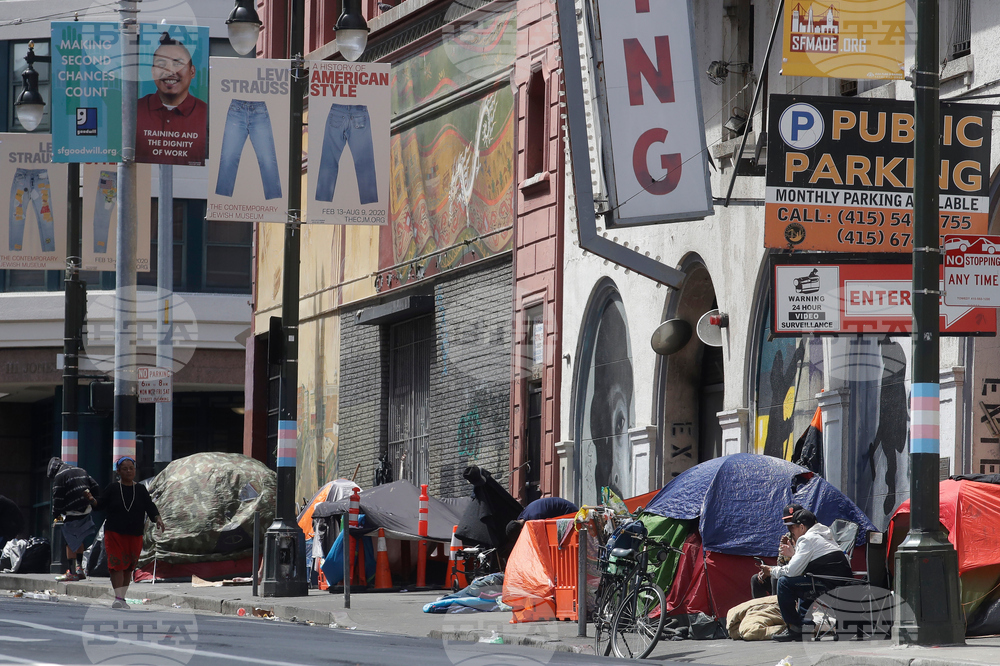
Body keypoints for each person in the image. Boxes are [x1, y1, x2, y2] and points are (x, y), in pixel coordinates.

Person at [757, 509, 853, 642]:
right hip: (840, 582)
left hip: (829, 585)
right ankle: (806, 625)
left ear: (802, 527)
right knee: (805, 580)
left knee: (785, 582)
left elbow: (791, 571)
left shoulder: (807, 539)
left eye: (793, 528)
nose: (791, 532)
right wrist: (794, 553)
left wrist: (770, 571)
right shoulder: (825, 537)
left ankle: (795, 628)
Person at [83, 457, 164, 609]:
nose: (128, 471)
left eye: (131, 468)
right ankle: (118, 597)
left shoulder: (140, 489)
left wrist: (158, 518)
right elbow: (99, 504)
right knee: (117, 565)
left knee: (128, 566)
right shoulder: (113, 488)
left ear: (135, 470)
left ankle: (122, 597)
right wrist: (92, 500)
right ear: (118, 471)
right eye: (125, 469)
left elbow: (150, 506)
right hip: (114, 533)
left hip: (135, 533)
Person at [136, 32, 208, 166]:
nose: (169, 71)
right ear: (152, 72)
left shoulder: (207, 114)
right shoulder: (134, 112)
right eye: (161, 64)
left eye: (178, 63)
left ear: (192, 72)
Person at [47, 457, 100, 581]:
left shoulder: (60, 476)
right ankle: (79, 569)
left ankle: (71, 572)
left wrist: (56, 514)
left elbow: (58, 498)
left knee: (70, 541)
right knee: (79, 538)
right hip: (86, 508)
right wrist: (93, 501)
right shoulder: (81, 470)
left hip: (72, 510)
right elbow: (95, 485)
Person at [750, 503, 804, 598]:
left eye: (793, 521)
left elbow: (803, 565)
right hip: (786, 574)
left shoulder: (807, 538)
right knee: (756, 579)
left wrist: (793, 551)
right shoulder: (787, 538)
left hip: (801, 578)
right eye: (788, 521)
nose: (791, 525)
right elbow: (780, 564)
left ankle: (778, 608)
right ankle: (761, 610)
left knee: (777, 578)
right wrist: (767, 571)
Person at [505, 497, 579, 546]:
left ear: (520, 530)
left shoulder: (535, 519)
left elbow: (541, 538)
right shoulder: (522, 516)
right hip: (562, 509)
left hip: (569, 511)